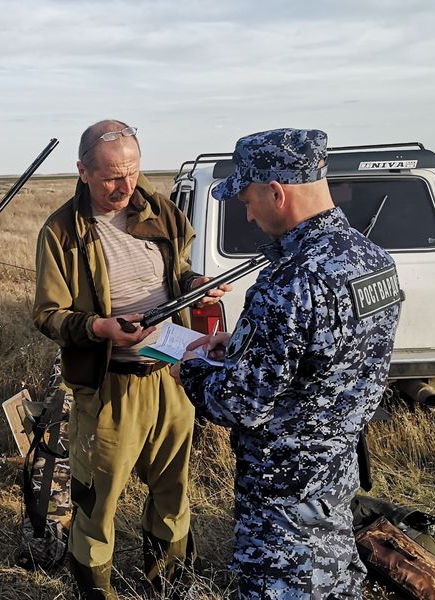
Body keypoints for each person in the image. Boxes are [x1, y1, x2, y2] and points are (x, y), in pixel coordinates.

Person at [171, 128, 402, 598]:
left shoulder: (288, 284)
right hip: (334, 476)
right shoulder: (372, 260)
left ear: (276, 192)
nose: (247, 212)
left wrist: (188, 369)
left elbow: (239, 404)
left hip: (283, 498)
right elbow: (325, 356)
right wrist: (240, 347)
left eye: (248, 198)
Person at [33, 120, 229, 599]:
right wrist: (101, 328)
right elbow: (47, 315)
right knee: (96, 501)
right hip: (109, 384)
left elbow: (177, 270)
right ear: (82, 171)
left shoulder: (158, 208)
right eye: (111, 178)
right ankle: (96, 591)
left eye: (133, 172)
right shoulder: (62, 230)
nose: (125, 187)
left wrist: (194, 287)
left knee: (173, 489)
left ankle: (171, 584)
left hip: (172, 372)